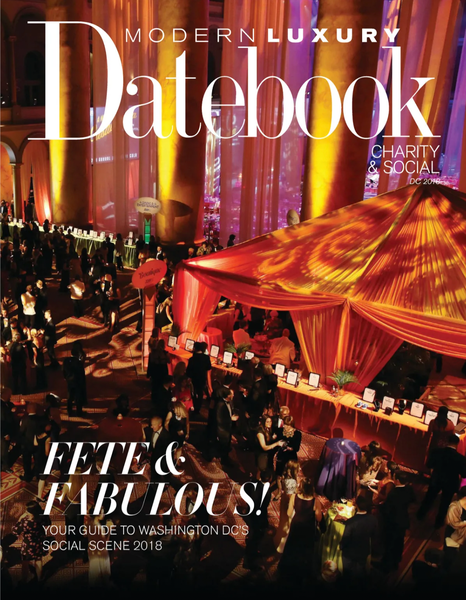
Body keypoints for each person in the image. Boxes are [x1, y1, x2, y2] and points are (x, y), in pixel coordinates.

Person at [278, 477, 323, 583]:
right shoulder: (315, 501)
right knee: (305, 549)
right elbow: (319, 518)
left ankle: (288, 569)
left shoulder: (294, 497)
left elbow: (289, 513)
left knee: (292, 546)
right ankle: (302, 571)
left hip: (296, 525)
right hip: (308, 528)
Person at [417, 434, 466, 528]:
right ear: (457, 444)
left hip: (436, 479)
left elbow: (429, 464)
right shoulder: (461, 458)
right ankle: (438, 523)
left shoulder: (437, 452)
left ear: (447, 442)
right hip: (450, 483)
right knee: (445, 504)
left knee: (429, 498)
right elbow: (464, 474)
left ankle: (420, 515)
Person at [380, 470, 415, 572]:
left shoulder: (393, 493)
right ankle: (396, 563)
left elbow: (387, 510)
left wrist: (381, 506)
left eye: (394, 477)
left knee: (389, 544)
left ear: (398, 480)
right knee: (399, 543)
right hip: (403, 521)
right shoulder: (409, 489)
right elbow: (413, 501)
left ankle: (386, 566)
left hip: (392, 523)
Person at [340, 495, 378, 584]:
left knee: (348, 575)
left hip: (349, 553)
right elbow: (375, 535)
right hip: (363, 550)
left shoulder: (351, 522)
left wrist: (341, 546)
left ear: (356, 506)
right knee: (360, 573)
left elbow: (346, 538)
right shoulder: (373, 519)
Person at [12, 501, 51, 583]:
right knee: (38, 559)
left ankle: (24, 580)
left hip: (28, 545)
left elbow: (15, 531)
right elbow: (48, 522)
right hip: (39, 541)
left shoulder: (25, 522)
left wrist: (19, 519)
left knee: (25, 562)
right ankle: (39, 579)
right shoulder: (42, 516)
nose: (25, 512)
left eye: (27, 511)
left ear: (32, 513)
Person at [274, 459, 299, 553]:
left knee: (283, 521)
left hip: (284, 499)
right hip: (289, 502)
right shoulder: (291, 481)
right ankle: (282, 546)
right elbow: (290, 495)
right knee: (287, 524)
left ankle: (278, 540)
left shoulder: (285, 477)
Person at [443, 486, 466, 572]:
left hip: (463, 538)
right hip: (453, 537)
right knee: (450, 558)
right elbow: (454, 524)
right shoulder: (454, 507)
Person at [186, 341, 213, 414]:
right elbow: (208, 370)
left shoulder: (192, 359)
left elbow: (188, 371)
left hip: (194, 379)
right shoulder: (206, 358)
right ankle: (198, 408)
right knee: (200, 393)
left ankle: (195, 406)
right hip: (202, 379)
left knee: (194, 393)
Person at [215, 388, 239, 465]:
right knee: (223, 446)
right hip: (222, 430)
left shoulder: (230, 403)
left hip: (228, 428)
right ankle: (223, 461)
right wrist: (230, 419)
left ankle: (225, 458)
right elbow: (219, 419)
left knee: (227, 445)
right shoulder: (220, 404)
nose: (233, 395)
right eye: (232, 394)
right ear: (228, 395)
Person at [144, 415, 172, 482]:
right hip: (153, 457)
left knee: (164, 474)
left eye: (154, 425)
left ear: (160, 424)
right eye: (151, 425)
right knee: (154, 475)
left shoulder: (166, 436)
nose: (152, 427)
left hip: (162, 458)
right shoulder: (149, 431)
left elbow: (169, 451)